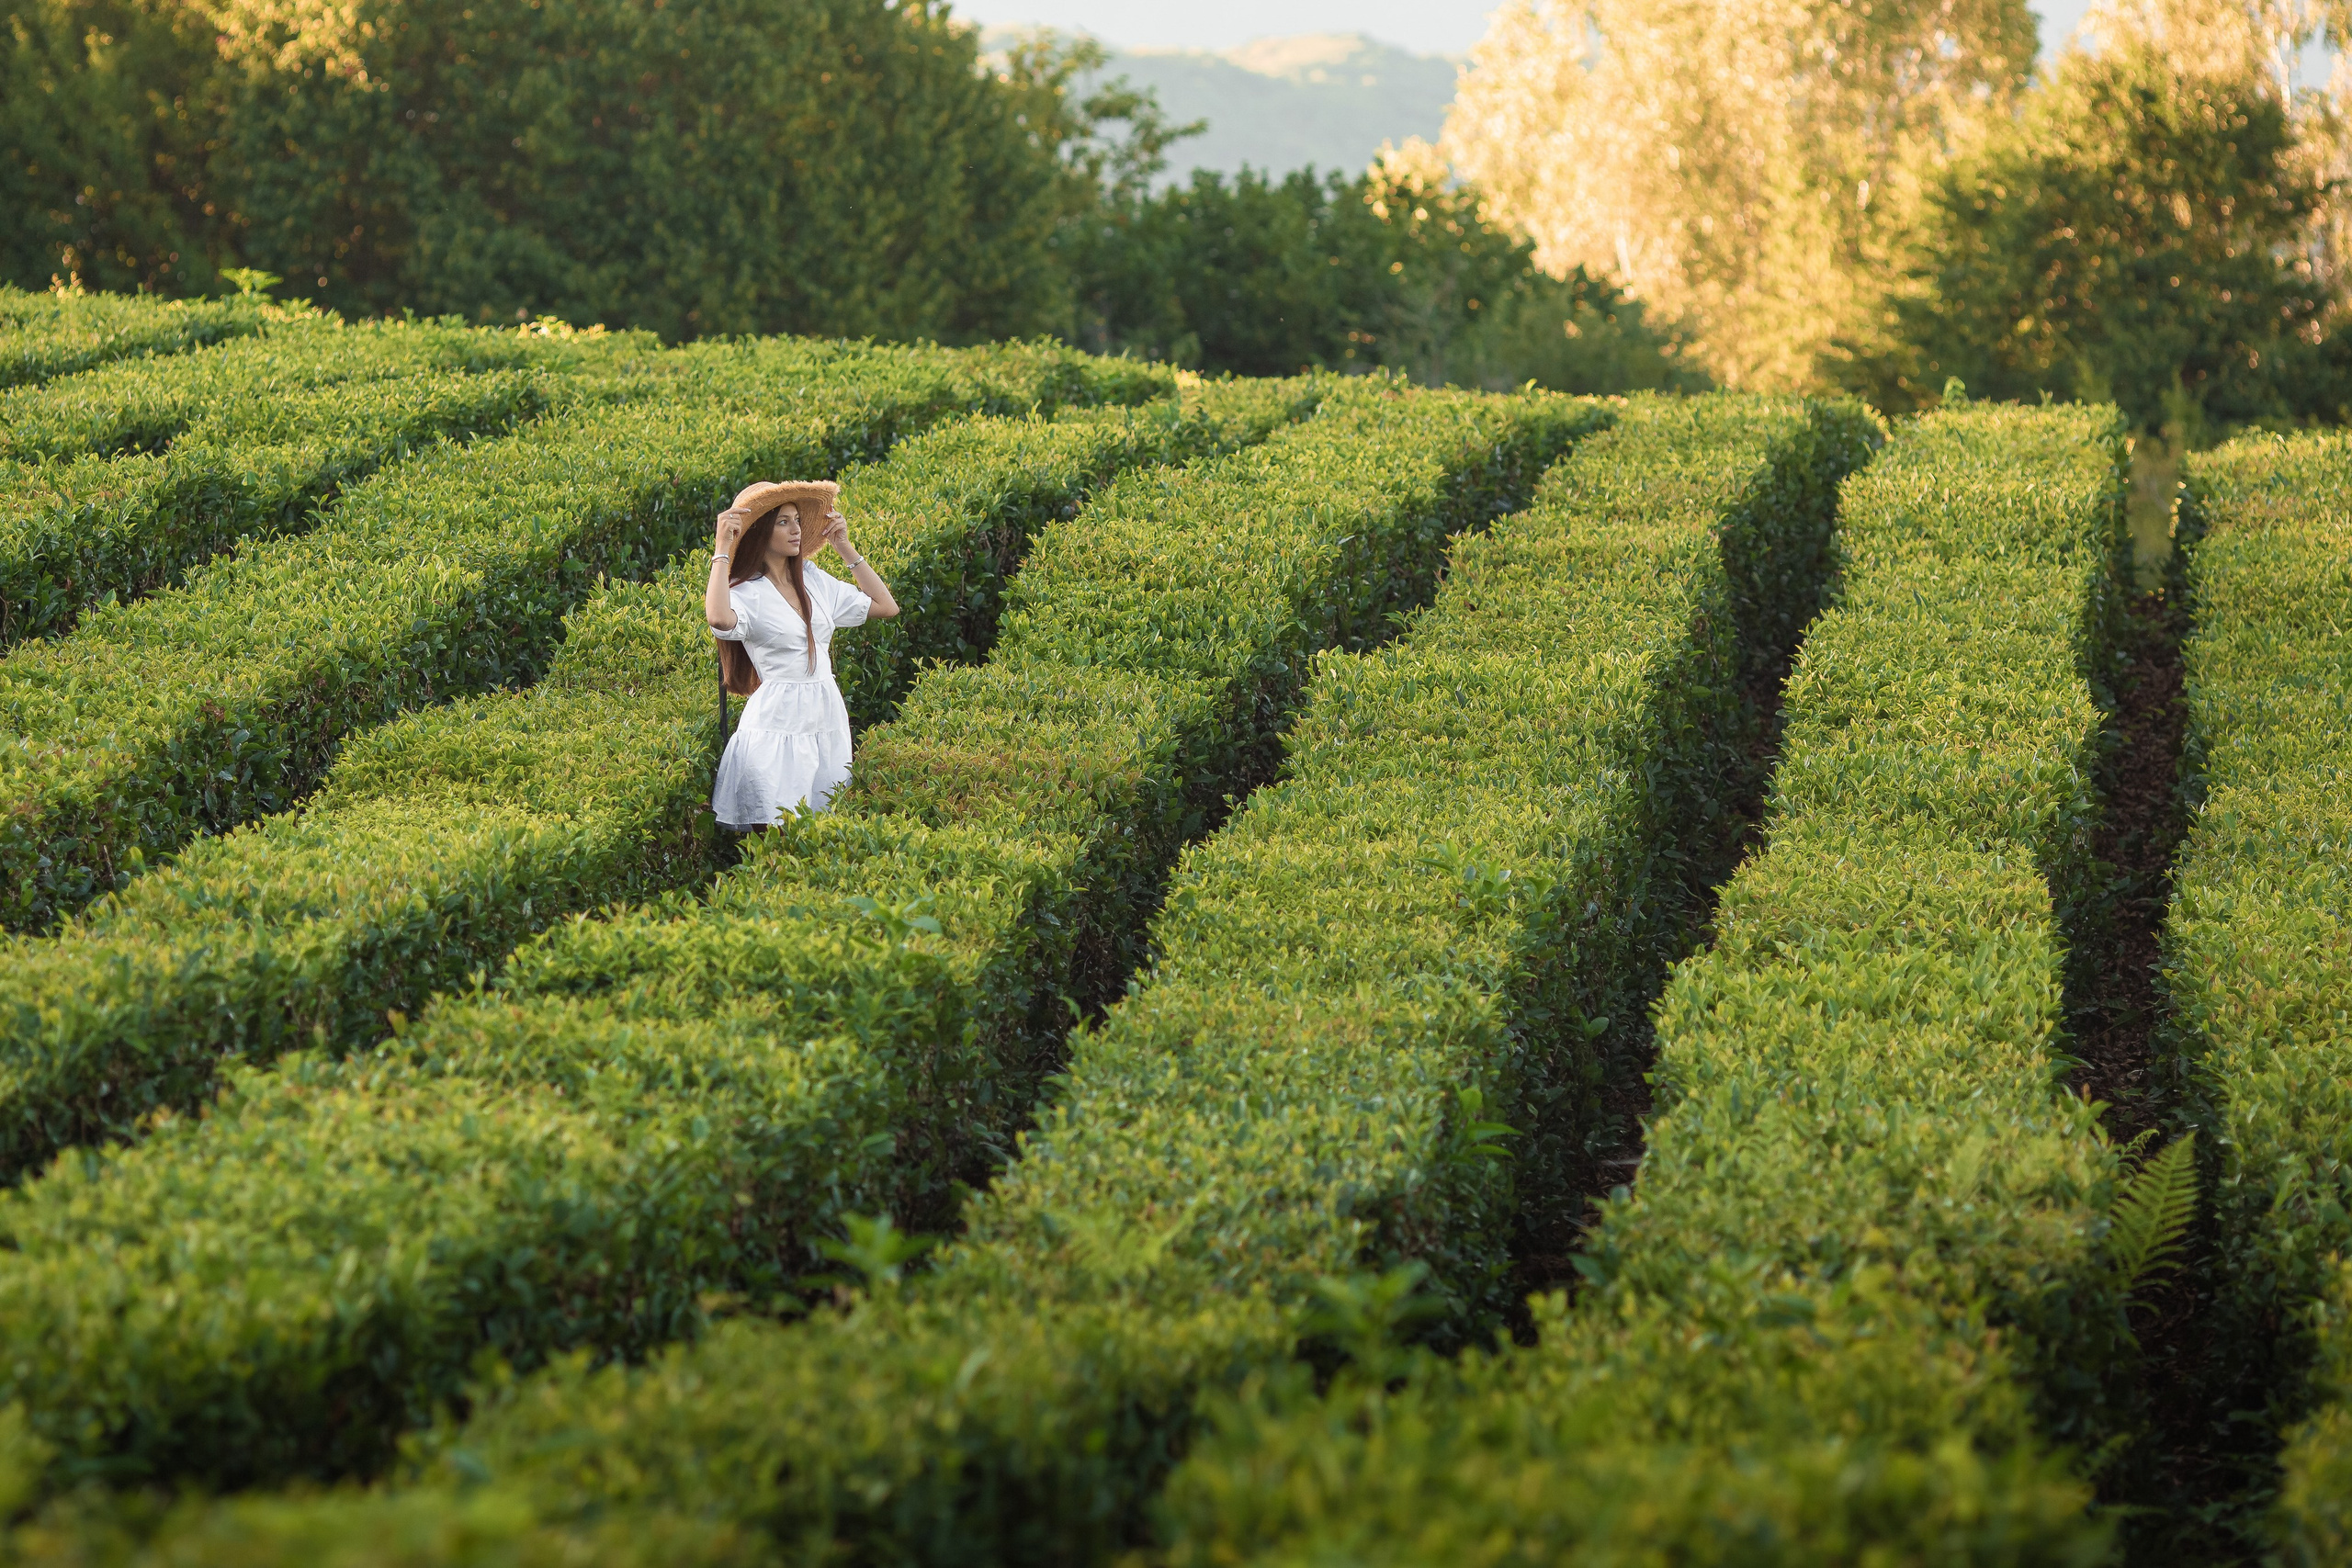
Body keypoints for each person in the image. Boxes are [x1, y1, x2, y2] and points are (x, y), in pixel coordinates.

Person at [704, 479, 899, 828]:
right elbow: (719, 618)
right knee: (776, 835)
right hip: (774, 727)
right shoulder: (746, 592)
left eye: (796, 520)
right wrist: (722, 548)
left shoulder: (812, 579)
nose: (796, 529)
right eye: (783, 522)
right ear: (761, 532)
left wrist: (846, 548)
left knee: (821, 827)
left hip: (825, 719)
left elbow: (886, 605)